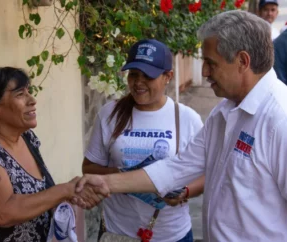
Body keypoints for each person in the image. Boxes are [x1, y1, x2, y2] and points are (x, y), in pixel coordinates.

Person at [76, 10, 287, 241]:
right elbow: (176, 169)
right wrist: (106, 182)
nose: (205, 72)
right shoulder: (223, 114)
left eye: (210, 63)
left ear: (242, 61)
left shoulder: (280, 119)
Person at [82, 39, 205, 242]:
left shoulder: (186, 118)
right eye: (134, 74)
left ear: (168, 77)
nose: (138, 82)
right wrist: (124, 175)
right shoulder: (109, 114)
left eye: (148, 76)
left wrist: (184, 192)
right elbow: (89, 168)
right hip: (119, 233)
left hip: (172, 234)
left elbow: (205, 173)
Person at [0, 67, 98, 242]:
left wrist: (72, 191)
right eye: (20, 94)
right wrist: (64, 190)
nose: (32, 100)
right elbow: (3, 213)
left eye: (28, 92)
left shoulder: (26, 137)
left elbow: (39, 195)